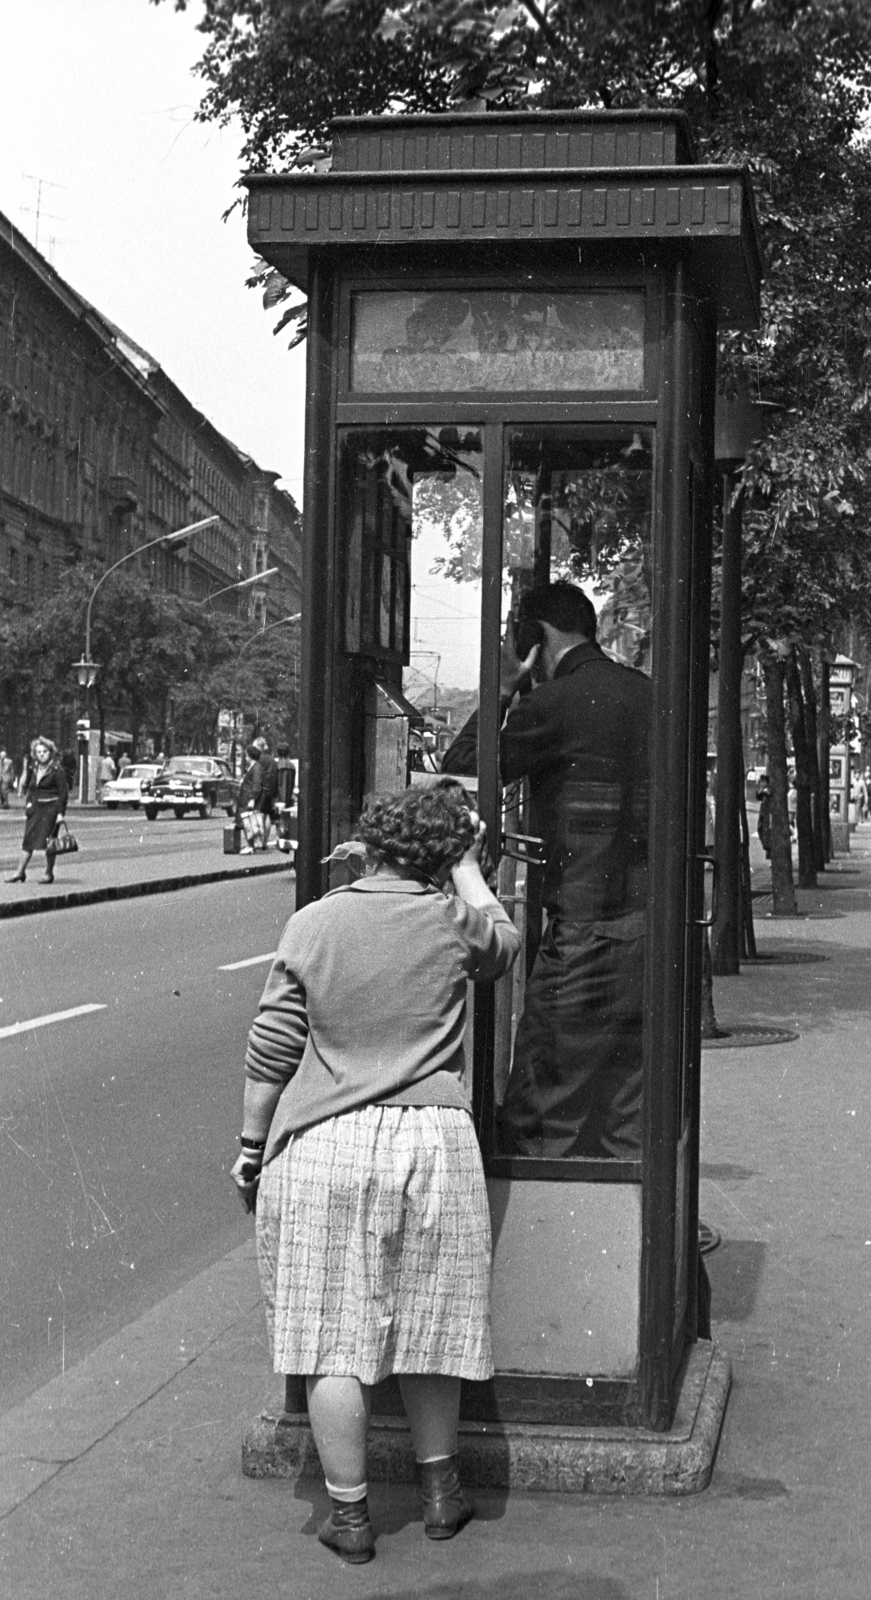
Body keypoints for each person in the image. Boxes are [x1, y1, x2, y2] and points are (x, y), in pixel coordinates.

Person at [231, 784, 520, 1563]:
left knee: (331, 1336)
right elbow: (504, 942)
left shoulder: (314, 922)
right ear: (441, 856)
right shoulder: (450, 919)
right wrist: (465, 866)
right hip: (432, 1141)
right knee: (433, 1322)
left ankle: (351, 1517)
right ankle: (440, 1494)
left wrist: (253, 1146)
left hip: (323, 1141)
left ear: (370, 846)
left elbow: (272, 1048)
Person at [442, 581, 650, 1159]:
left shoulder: (552, 704)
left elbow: (459, 776)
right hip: (656, 938)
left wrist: (504, 686)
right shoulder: (651, 695)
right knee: (626, 1118)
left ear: (535, 637)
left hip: (585, 935)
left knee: (541, 1115)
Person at [6, 736, 69, 884]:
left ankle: (48, 873)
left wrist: (60, 814)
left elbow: (63, 794)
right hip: (36, 808)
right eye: (38, 752)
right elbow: (30, 789)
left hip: (52, 809)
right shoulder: (34, 768)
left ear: (51, 752)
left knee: (50, 842)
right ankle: (20, 872)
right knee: (28, 840)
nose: (41, 754)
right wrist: (29, 805)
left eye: (45, 751)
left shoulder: (57, 769)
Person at [237, 744, 266, 853]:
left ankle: (251, 846)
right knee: (249, 822)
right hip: (248, 798)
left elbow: (256, 784)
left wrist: (252, 798)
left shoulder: (256, 768)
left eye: (247, 755)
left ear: (250, 756)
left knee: (249, 822)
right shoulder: (255, 767)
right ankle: (253, 845)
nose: (246, 757)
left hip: (250, 799)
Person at [255, 737, 281, 847]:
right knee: (267, 817)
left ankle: (260, 842)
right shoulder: (272, 760)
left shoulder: (257, 760)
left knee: (259, 816)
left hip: (260, 792)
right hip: (270, 793)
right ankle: (265, 842)